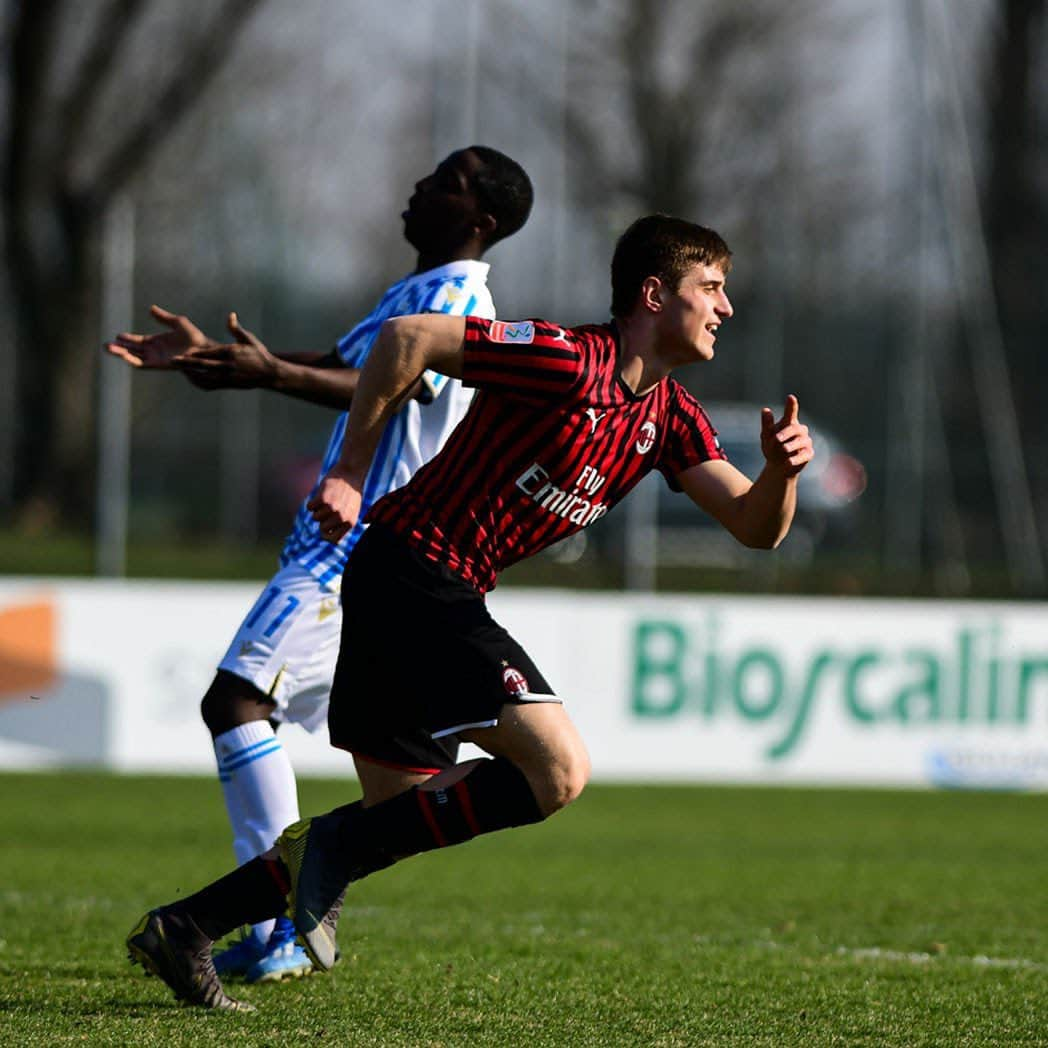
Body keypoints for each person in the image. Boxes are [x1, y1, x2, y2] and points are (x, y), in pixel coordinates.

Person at [126, 214, 815, 1011]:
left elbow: (755, 529)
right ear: (655, 295)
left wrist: (781, 474)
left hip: (417, 584)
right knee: (557, 772)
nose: (727, 308)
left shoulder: (671, 417)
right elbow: (407, 338)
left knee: (396, 815)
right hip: (416, 569)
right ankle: (324, 854)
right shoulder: (567, 357)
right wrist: (350, 469)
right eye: (713, 289)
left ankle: (188, 927)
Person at [109, 145, 533, 984]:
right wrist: (237, 363)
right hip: (368, 549)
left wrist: (267, 372)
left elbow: (393, 381)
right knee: (379, 770)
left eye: (443, 183)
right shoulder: (414, 291)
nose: (418, 186)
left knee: (236, 700)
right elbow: (350, 365)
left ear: (480, 220)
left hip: (356, 545)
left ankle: (272, 925)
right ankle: (299, 900)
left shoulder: (456, 299)